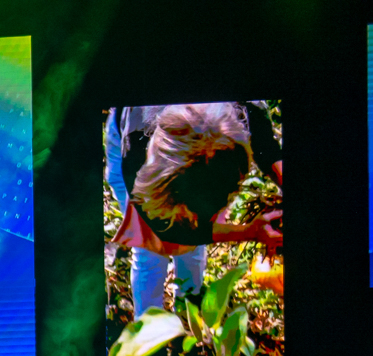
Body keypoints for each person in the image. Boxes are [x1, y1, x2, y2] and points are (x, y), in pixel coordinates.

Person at [107, 102, 282, 317]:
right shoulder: (137, 155)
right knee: (150, 253)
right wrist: (249, 231)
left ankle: (188, 313)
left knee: (193, 249)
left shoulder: (247, 109)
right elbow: (167, 231)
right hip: (127, 141)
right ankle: (149, 327)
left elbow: (268, 150)